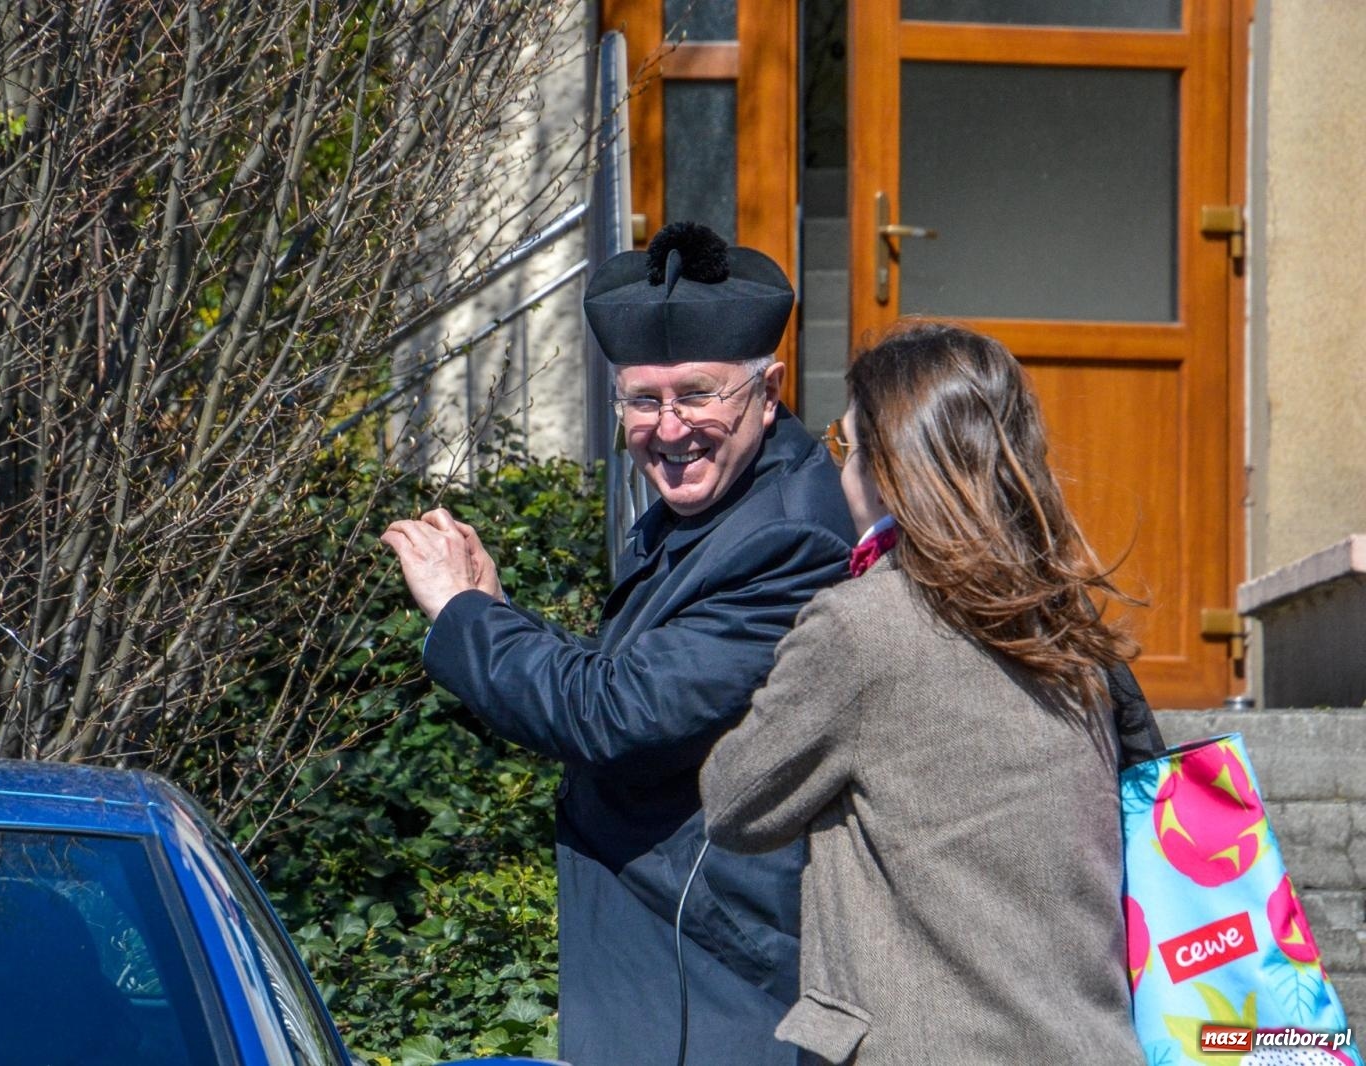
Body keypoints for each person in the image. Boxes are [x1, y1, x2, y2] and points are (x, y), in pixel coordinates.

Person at [381, 221, 854, 1066]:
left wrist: (462, 613)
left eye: (698, 395)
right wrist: (497, 613)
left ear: (767, 390)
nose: (670, 431)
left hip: (717, 971)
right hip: (663, 949)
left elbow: (617, 714)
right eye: (644, 401)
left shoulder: (786, 540)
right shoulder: (717, 506)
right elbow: (629, 678)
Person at [700, 320, 1147, 1065]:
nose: (835, 466)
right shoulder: (1068, 628)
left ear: (891, 469)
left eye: (844, 445)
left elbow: (734, 801)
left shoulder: (862, 626)